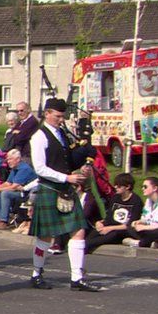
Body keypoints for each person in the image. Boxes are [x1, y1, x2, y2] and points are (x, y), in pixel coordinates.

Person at [28, 98, 100, 292]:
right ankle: (36, 273)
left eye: (63, 116)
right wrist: (66, 178)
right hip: (50, 189)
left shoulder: (61, 134)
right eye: (58, 116)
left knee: (78, 230)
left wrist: (84, 160)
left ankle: (77, 278)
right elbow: (40, 168)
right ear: (47, 113)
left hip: (66, 189)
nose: (61, 120)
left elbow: (66, 159)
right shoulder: (39, 137)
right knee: (45, 237)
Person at [85, 173, 141, 253]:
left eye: (119, 186)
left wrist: (109, 228)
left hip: (123, 230)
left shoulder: (136, 201)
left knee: (113, 234)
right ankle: (84, 244)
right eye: (115, 185)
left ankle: (85, 246)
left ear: (127, 187)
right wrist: (101, 223)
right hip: (110, 226)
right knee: (95, 232)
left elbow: (130, 224)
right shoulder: (115, 198)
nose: (115, 187)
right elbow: (109, 217)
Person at [0, 149, 38, 230]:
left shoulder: (24, 168)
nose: (8, 161)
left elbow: (14, 186)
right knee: (0, 192)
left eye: (10, 159)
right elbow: (8, 183)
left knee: (5, 193)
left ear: (18, 159)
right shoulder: (15, 168)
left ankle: (4, 221)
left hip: (28, 194)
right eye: (7, 159)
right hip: (20, 191)